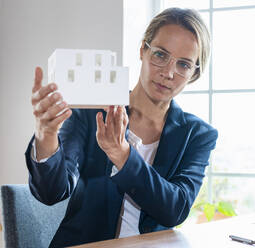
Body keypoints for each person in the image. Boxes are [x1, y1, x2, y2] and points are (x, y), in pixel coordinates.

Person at [25, 7, 218, 248]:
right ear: (142, 50)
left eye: (184, 65)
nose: (168, 73)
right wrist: (47, 136)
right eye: (160, 55)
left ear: (194, 73)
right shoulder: (91, 111)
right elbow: (51, 193)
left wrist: (123, 156)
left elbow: (175, 210)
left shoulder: (198, 135)